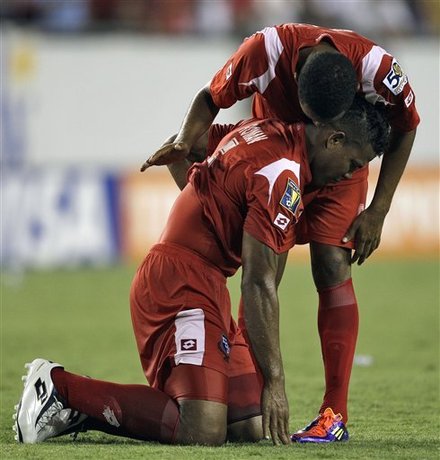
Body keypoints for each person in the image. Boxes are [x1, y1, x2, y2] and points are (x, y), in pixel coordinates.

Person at [13, 98, 389, 446]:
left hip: (204, 282)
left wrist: (206, 200)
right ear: (335, 139)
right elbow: (258, 283)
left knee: (251, 424)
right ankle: (60, 389)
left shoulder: (264, 131)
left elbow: (184, 143)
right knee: (201, 429)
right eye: (354, 164)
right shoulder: (283, 175)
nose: (347, 177)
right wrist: (276, 382)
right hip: (179, 284)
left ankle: (79, 408)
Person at [140, 23, 420, 442]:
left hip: (343, 155)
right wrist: (185, 142)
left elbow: (407, 124)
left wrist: (379, 209)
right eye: (310, 116)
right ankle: (252, 383)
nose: (315, 124)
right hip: (276, 154)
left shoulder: (379, 68)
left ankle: (334, 413)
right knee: (264, 272)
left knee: (331, 263)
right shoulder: (264, 50)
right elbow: (210, 97)